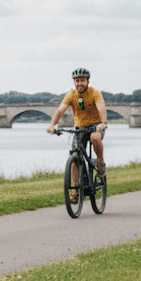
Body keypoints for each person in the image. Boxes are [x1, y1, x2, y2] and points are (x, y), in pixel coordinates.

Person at [47, 68, 109, 202]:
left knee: (95, 137)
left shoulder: (95, 93)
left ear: (87, 81)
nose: (79, 83)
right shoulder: (71, 95)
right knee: (74, 157)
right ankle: (76, 191)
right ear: (74, 82)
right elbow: (60, 111)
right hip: (79, 128)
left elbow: (101, 109)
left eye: (82, 81)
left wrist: (103, 122)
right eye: (77, 81)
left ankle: (99, 162)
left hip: (95, 125)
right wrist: (53, 125)